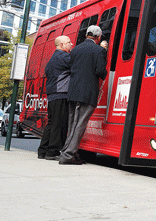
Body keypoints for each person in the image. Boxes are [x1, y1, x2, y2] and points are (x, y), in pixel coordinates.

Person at [59, 25, 107, 165]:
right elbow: (100, 71)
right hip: (88, 92)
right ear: (98, 38)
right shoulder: (99, 50)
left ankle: (65, 152)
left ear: (87, 35)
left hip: (73, 91)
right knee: (80, 124)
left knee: (73, 124)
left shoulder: (75, 50)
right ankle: (68, 155)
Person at [37, 35, 73, 160]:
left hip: (53, 95)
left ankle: (43, 151)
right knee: (59, 124)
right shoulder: (63, 56)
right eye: (68, 42)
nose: (71, 44)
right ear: (61, 45)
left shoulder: (54, 57)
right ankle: (53, 152)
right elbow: (78, 61)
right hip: (61, 93)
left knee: (51, 123)